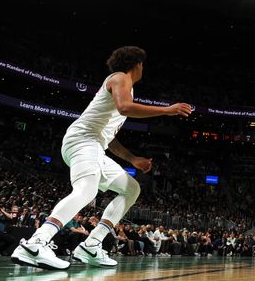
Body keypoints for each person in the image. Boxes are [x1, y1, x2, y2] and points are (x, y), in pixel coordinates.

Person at [11, 46, 192, 270]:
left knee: (131, 189)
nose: (143, 68)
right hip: (83, 140)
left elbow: (110, 139)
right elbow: (125, 108)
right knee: (87, 189)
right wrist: (166, 110)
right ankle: (36, 243)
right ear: (137, 64)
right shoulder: (120, 78)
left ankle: (92, 244)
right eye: (142, 64)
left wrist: (132, 158)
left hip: (94, 145)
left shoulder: (125, 89)